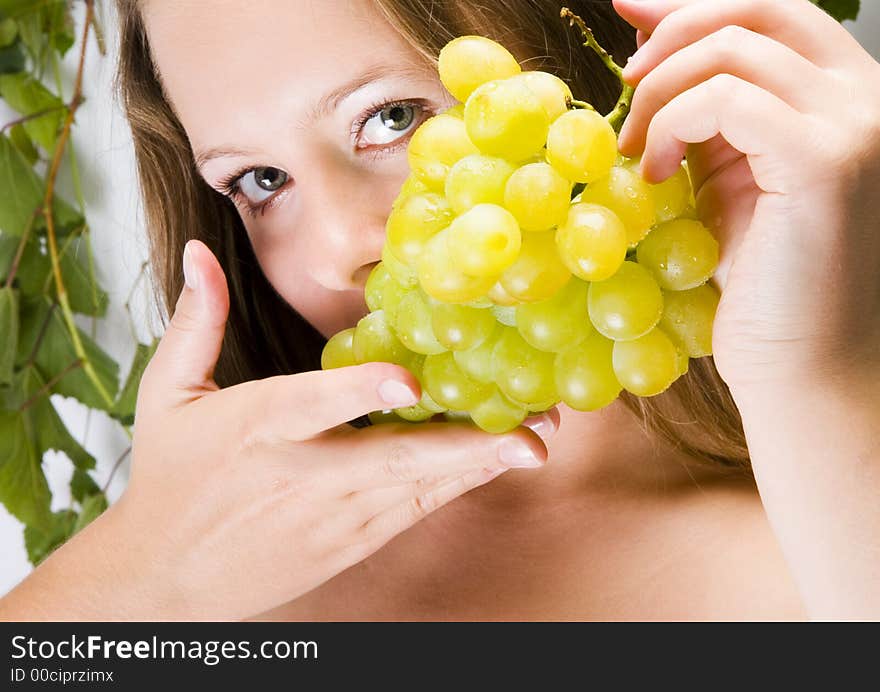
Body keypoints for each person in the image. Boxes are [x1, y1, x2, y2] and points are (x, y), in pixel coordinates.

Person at [1, 0, 878, 621]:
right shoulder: (203, 564)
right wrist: (133, 580)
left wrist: (805, 376)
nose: (341, 245)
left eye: (391, 116)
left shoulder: (832, 525)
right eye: (259, 181)